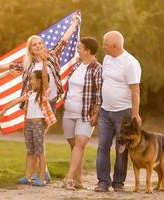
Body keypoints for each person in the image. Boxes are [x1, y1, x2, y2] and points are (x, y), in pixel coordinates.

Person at [0, 14, 81, 183]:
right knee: (37, 138)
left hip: (48, 102)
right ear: (30, 49)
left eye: (40, 43)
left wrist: (74, 23)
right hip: (33, 103)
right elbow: (10, 66)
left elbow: (64, 40)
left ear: (44, 45)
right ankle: (42, 172)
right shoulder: (28, 64)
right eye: (34, 45)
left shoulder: (52, 55)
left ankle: (41, 174)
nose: (38, 46)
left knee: (39, 137)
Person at [94, 31, 142, 192]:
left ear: (115, 46)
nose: (103, 46)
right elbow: (105, 82)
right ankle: (103, 181)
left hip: (123, 113)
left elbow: (135, 91)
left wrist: (135, 115)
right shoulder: (107, 58)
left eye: (105, 44)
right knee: (102, 146)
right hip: (105, 111)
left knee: (121, 148)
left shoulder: (130, 63)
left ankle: (118, 183)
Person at [0, 54, 55, 186]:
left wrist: (45, 62)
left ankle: (41, 177)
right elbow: (18, 100)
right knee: (30, 151)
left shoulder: (44, 93)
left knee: (39, 152)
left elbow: (46, 77)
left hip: (38, 125)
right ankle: (27, 176)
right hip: (28, 125)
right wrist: (5, 109)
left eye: (32, 79)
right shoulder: (29, 94)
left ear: (39, 81)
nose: (30, 81)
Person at [62, 37, 102, 190]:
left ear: (88, 51)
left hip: (85, 114)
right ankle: (79, 179)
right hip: (69, 112)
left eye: (80, 47)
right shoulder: (76, 66)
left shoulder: (97, 68)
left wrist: (96, 113)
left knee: (80, 142)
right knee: (75, 146)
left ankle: (69, 178)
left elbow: (99, 93)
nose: (78, 49)